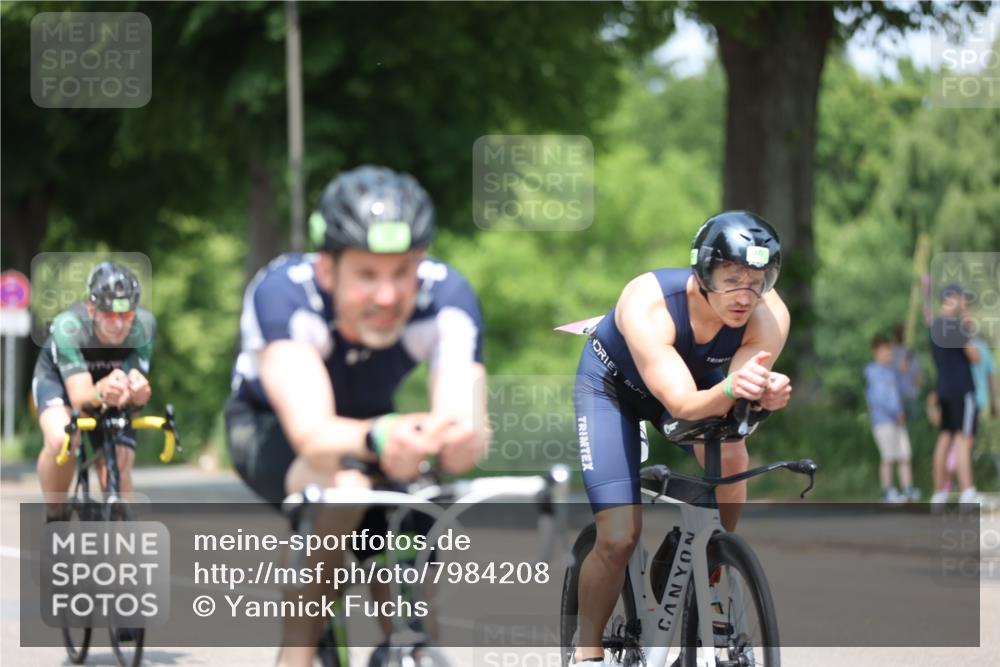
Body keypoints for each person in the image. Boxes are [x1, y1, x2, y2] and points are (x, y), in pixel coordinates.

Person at [225, 165, 489, 667]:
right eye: (367, 275)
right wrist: (384, 435)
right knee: (346, 490)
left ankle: (410, 648)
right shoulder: (283, 293)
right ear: (328, 270)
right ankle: (296, 654)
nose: (386, 296)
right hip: (270, 426)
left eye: (401, 272)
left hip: (374, 424)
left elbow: (467, 425)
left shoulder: (449, 296)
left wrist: (452, 438)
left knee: (414, 513)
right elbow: (312, 433)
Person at [570, 211, 792, 666]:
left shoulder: (769, 315)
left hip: (694, 380)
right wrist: (732, 390)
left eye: (758, 281)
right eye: (731, 279)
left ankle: (713, 561)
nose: (745, 296)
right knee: (618, 538)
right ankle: (587, 651)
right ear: (703, 274)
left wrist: (762, 395)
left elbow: (736, 394)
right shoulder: (648, 302)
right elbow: (684, 404)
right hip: (613, 390)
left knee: (734, 455)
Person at [33, 262, 155, 519]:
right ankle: (56, 512)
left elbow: (135, 397)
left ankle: (122, 537)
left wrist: (139, 393)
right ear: (92, 309)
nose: (119, 324)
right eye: (109, 315)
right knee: (62, 440)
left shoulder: (143, 326)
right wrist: (101, 391)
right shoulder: (69, 327)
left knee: (119, 463)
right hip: (60, 382)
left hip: (108, 386)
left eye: (126, 315)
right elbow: (80, 399)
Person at [928, 284, 983, 507]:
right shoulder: (955, 325)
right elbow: (975, 356)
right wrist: (967, 327)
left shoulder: (934, 326)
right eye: (962, 298)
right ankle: (968, 492)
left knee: (945, 438)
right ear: (953, 298)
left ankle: (939, 493)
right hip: (962, 390)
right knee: (962, 439)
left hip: (944, 390)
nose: (964, 303)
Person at [865, 334, 918, 502]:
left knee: (904, 455)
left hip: (897, 421)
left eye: (889, 351)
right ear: (875, 352)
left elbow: (905, 390)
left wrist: (905, 370)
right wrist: (896, 413)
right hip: (884, 421)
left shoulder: (893, 372)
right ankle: (887, 491)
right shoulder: (873, 372)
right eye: (884, 351)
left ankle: (908, 489)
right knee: (888, 457)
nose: (888, 354)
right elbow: (879, 398)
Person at [890, 323, 923, 424]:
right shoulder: (892, 351)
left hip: (912, 395)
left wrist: (918, 381)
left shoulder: (911, 352)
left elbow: (918, 374)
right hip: (897, 396)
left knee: (914, 424)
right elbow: (901, 368)